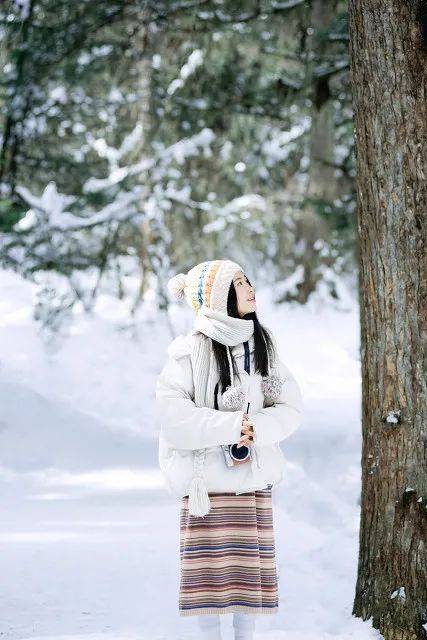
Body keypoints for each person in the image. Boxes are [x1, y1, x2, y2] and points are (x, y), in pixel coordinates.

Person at [155, 259, 303, 640]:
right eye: (239, 283)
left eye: (248, 280)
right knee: (210, 582)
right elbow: (174, 418)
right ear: (219, 296)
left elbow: (289, 407)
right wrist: (233, 425)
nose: (251, 288)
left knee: (245, 583)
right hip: (207, 483)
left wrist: (258, 428)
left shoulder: (262, 348)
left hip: (249, 482)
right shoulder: (188, 352)